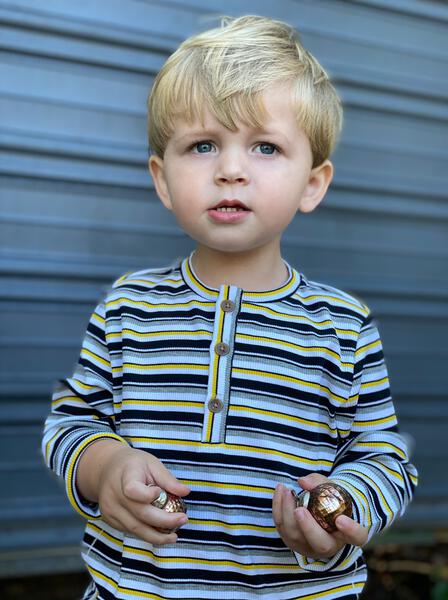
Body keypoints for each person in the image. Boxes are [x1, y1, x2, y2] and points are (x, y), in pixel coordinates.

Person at [42, 15, 418, 600]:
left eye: (266, 146)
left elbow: (386, 459)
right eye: (203, 145)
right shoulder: (127, 307)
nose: (231, 169)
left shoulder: (343, 325)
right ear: (162, 179)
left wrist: (343, 504)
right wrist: (105, 466)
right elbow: (70, 424)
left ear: (312, 184)